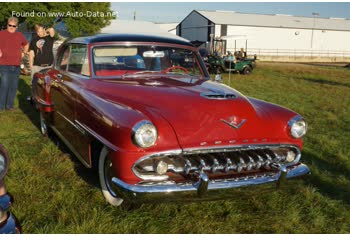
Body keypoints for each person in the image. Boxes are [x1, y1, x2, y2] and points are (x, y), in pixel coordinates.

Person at [0, 17, 29, 112]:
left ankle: (9, 106)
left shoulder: (19, 35)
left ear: (17, 27)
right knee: (4, 85)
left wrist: (24, 53)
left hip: (16, 65)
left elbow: (26, 44)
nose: (11, 27)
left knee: (13, 86)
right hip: (4, 64)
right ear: (7, 24)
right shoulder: (1, 33)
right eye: (10, 25)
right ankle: (1, 106)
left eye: (14, 26)